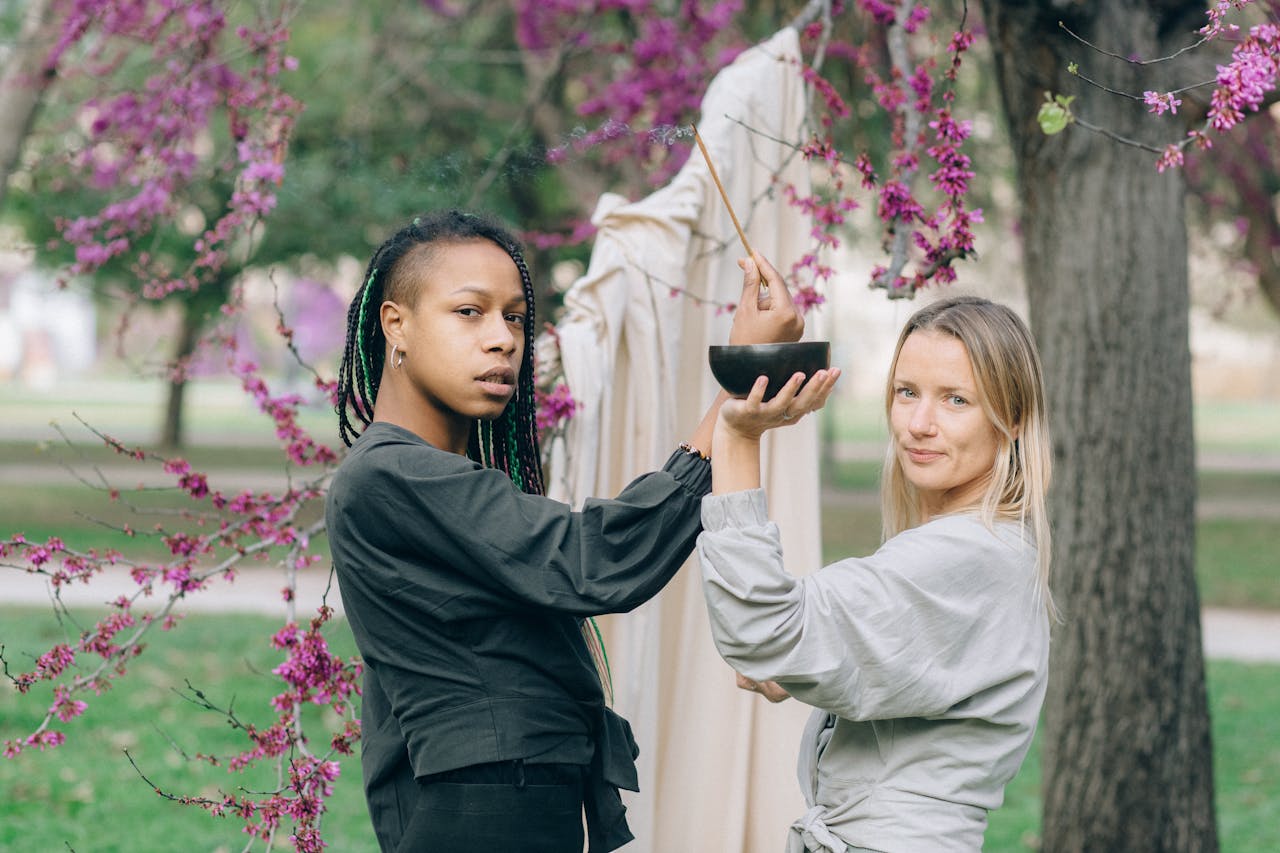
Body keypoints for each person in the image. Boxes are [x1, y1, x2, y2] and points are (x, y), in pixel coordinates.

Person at [324, 209, 834, 853]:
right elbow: (596, 560)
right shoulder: (393, 477)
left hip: (509, 804)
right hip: (484, 812)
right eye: (469, 312)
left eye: (513, 316)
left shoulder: (427, 477)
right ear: (395, 324)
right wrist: (730, 409)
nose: (502, 338)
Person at [696, 295, 1054, 853]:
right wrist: (806, 663)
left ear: (1010, 419)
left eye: (955, 400)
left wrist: (736, 438)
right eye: (907, 392)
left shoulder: (968, 554)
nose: (918, 424)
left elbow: (762, 629)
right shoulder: (991, 548)